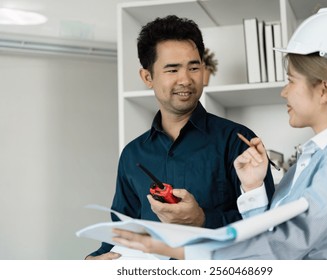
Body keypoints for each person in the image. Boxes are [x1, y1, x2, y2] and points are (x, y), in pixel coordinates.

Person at [111, 8, 327, 260]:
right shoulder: (314, 157)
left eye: (290, 81)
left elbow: (287, 243)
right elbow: (269, 232)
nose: (283, 91)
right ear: (147, 77)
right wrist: (254, 189)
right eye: (172, 69)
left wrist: (179, 248)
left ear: (324, 90)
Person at [86, 15, 275, 259]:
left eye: (194, 67)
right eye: (172, 69)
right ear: (147, 77)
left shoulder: (238, 141)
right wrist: (92, 260)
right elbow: (122, 232)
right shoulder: (133, 154)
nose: (186, 79)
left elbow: (267, 225)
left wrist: (202, 219)